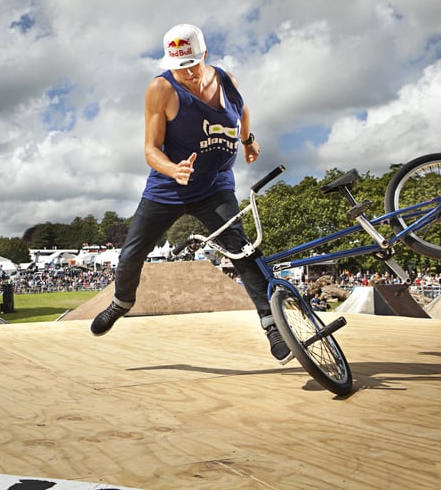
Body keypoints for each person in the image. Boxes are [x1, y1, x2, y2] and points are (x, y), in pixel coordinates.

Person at [90, 23, 292, 363]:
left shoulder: (227, 81)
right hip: (167, 188)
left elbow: (240, 111)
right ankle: (121, 303)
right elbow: (150, 149)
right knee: (130, 256)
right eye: (179, 67)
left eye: (192, 66)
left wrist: (247, 140)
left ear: (205, 56)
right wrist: (173, 169)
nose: (186, 73)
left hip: (214, 186)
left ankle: (273, 325)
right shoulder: (161, 89)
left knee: (242, 251)